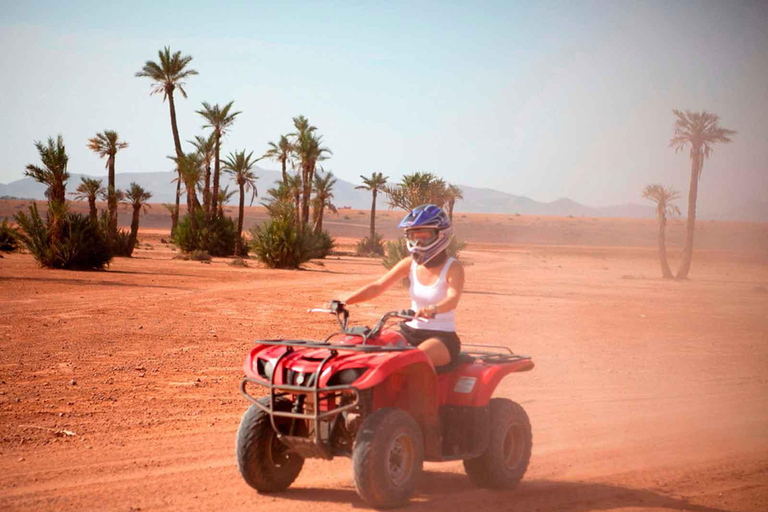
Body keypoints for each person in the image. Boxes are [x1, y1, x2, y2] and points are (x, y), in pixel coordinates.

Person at [340, 204, 464, 368]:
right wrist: (345, 301)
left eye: (425, 236)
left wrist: (433, 309)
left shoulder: (453, 267)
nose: (419, 242)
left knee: (413, 361)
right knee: (368, 351)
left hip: (441, 337)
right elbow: (378, 286)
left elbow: (452, 299)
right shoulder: (409, 264)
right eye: (414, 236)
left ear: (441, 234)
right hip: (408, 332)